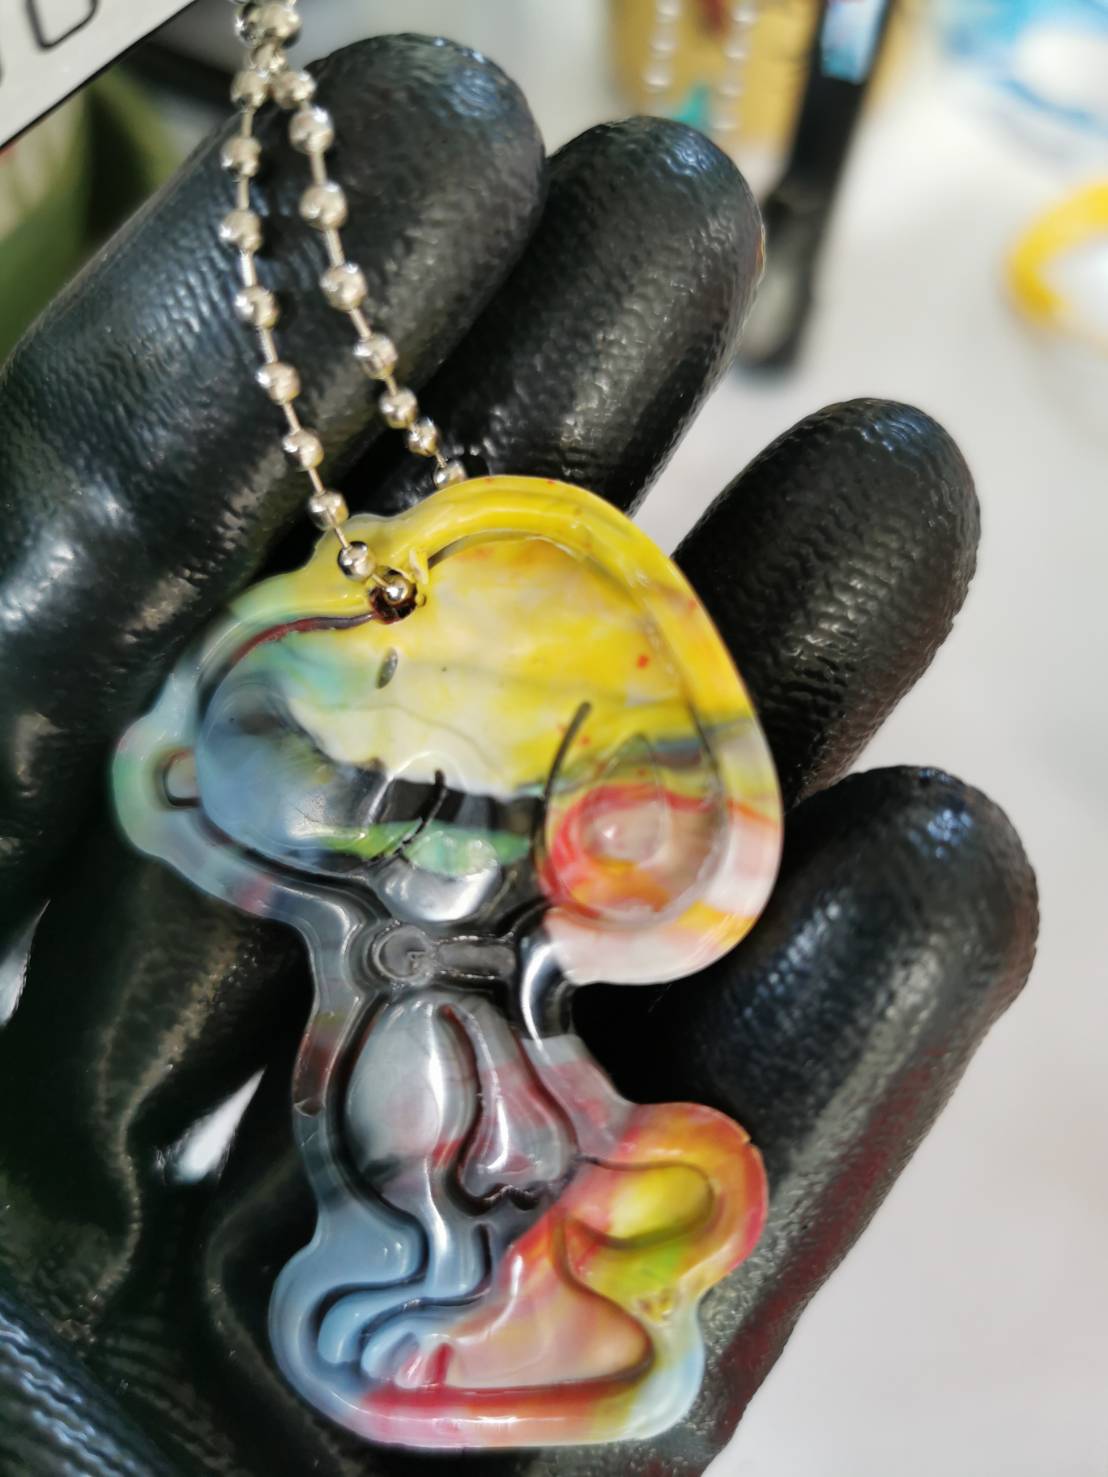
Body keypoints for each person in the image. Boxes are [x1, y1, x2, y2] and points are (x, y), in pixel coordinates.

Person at [0, 34, 1036, 1477]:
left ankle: (482, 1285)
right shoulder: (321, 804)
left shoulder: (518, 896)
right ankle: (449, 1281)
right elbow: (230, 789)